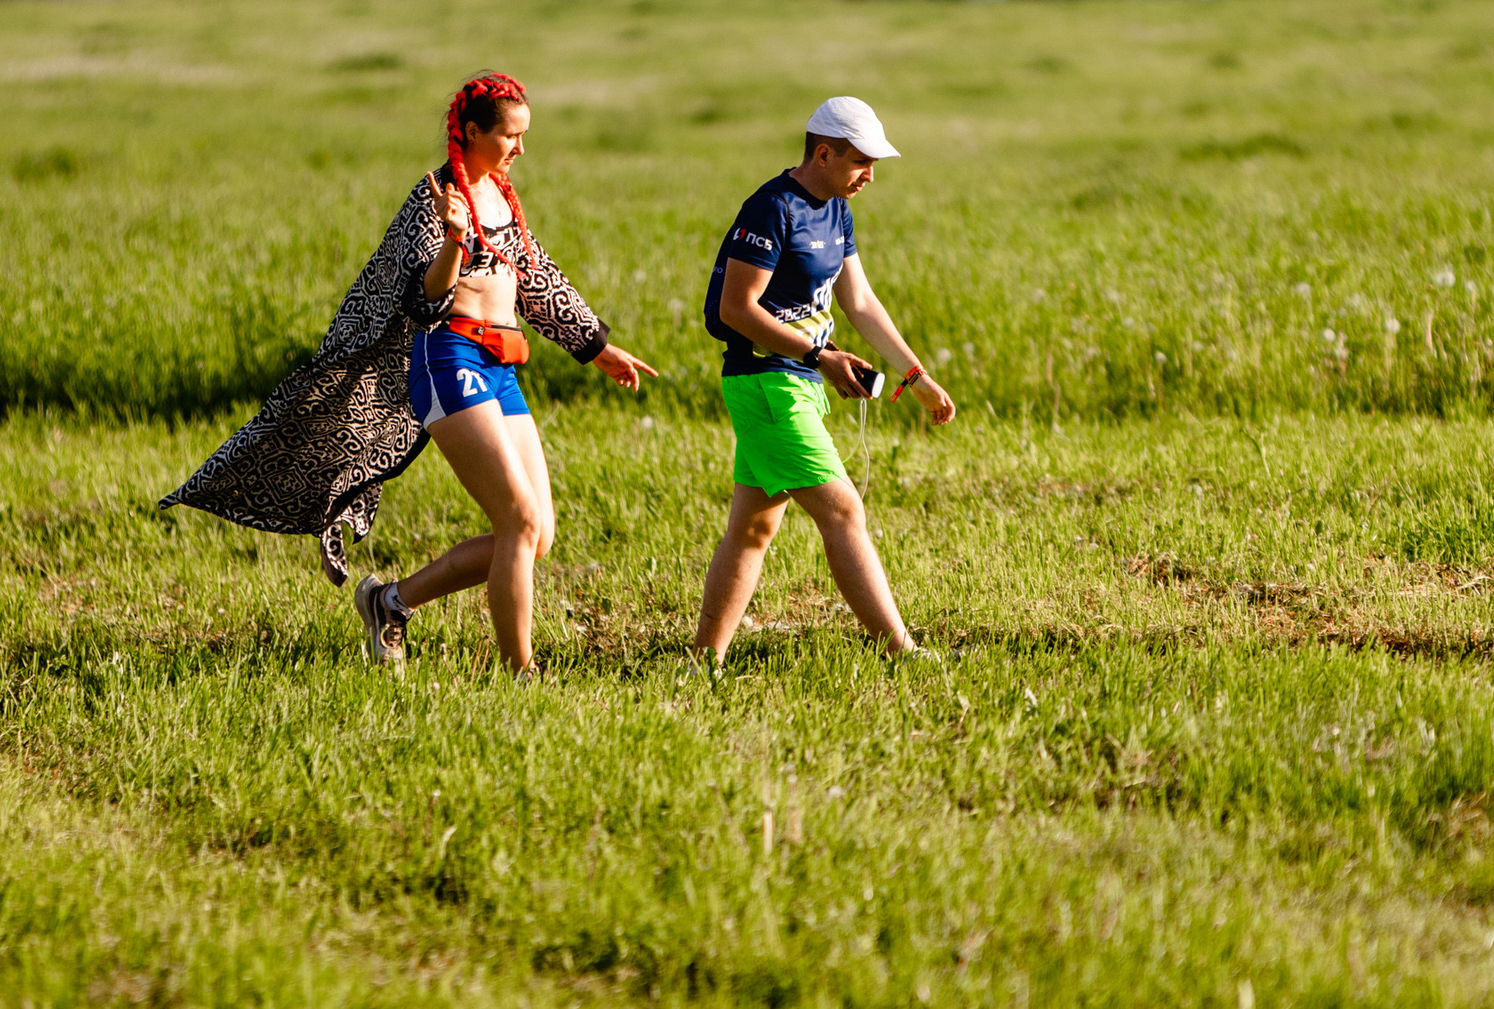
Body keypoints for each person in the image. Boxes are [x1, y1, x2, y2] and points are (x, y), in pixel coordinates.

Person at [161, 72, 655, 679]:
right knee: (519, 522)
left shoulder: (503, 195)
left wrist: (595, 346)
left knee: (535, 536)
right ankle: (520, 673)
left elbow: (535, 276)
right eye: (510, 136)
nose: (521, 149)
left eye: (526, 135)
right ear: (472, 132)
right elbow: (424, 300)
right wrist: (453, 239)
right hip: (448, 358)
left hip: (502, 366)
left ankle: (389, 602)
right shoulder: (432, 199)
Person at [691, 96, 955, 670]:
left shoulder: (835, 208)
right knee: (842, 511)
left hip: (795, 378)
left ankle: (702, 659)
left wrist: (917, 378)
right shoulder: (771, 208)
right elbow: (738, 309)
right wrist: (819, 356)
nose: (870, 177)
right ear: (824, 152)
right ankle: (900, 651)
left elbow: (859, 302)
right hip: (766, 380)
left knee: (752, 530)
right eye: (862, 162)